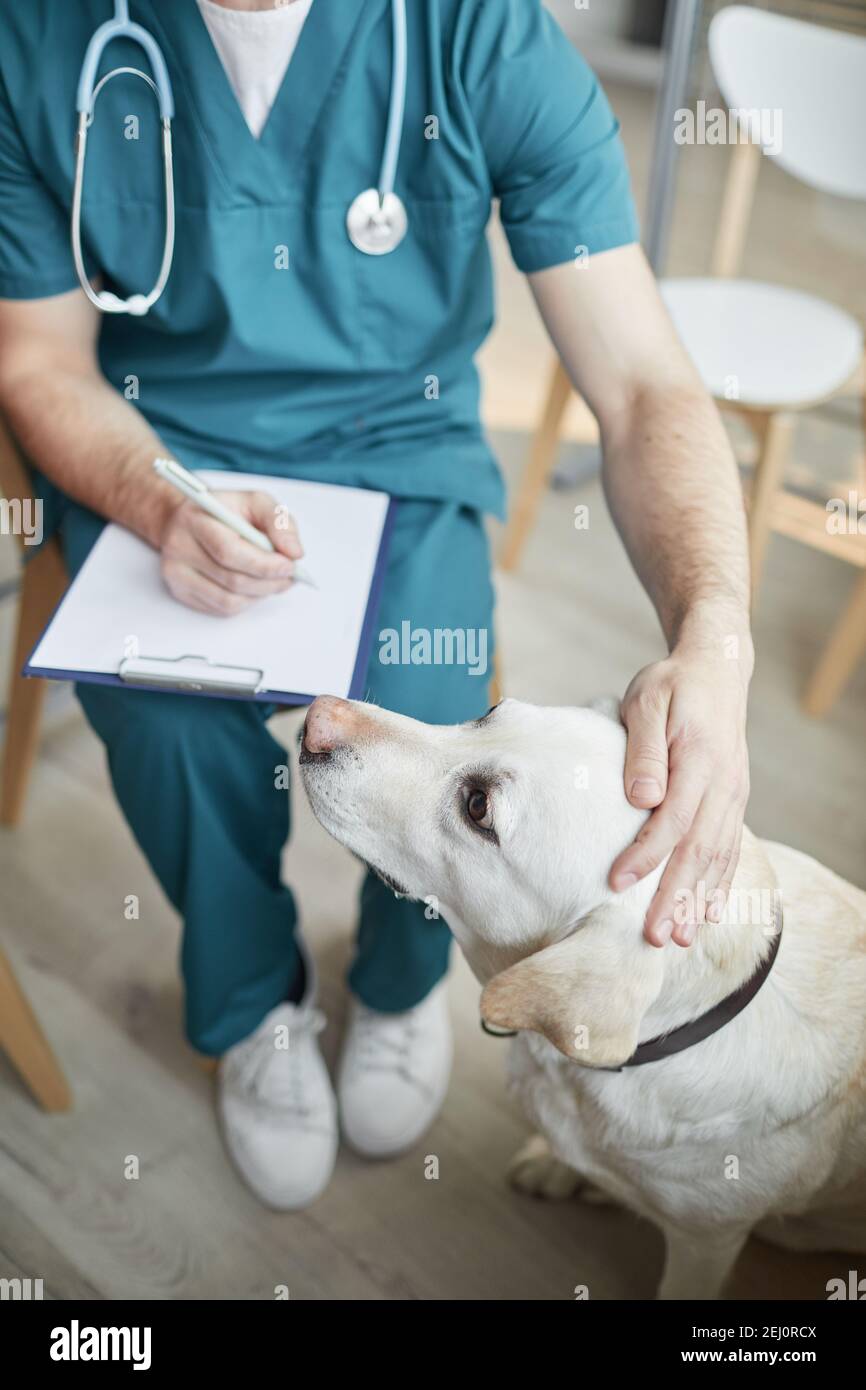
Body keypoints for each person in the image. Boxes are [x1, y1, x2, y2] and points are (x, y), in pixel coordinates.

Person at [0, 0, 752, 1209]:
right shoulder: (37, 41)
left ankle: (400, 983)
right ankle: (256, 1003)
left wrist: (714, 636)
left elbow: (644, 383)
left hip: (394, 450)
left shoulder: (476, 37)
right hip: (164, 450)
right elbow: (39, 361)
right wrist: (152, 500)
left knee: (434, 707)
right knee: (164, 725)